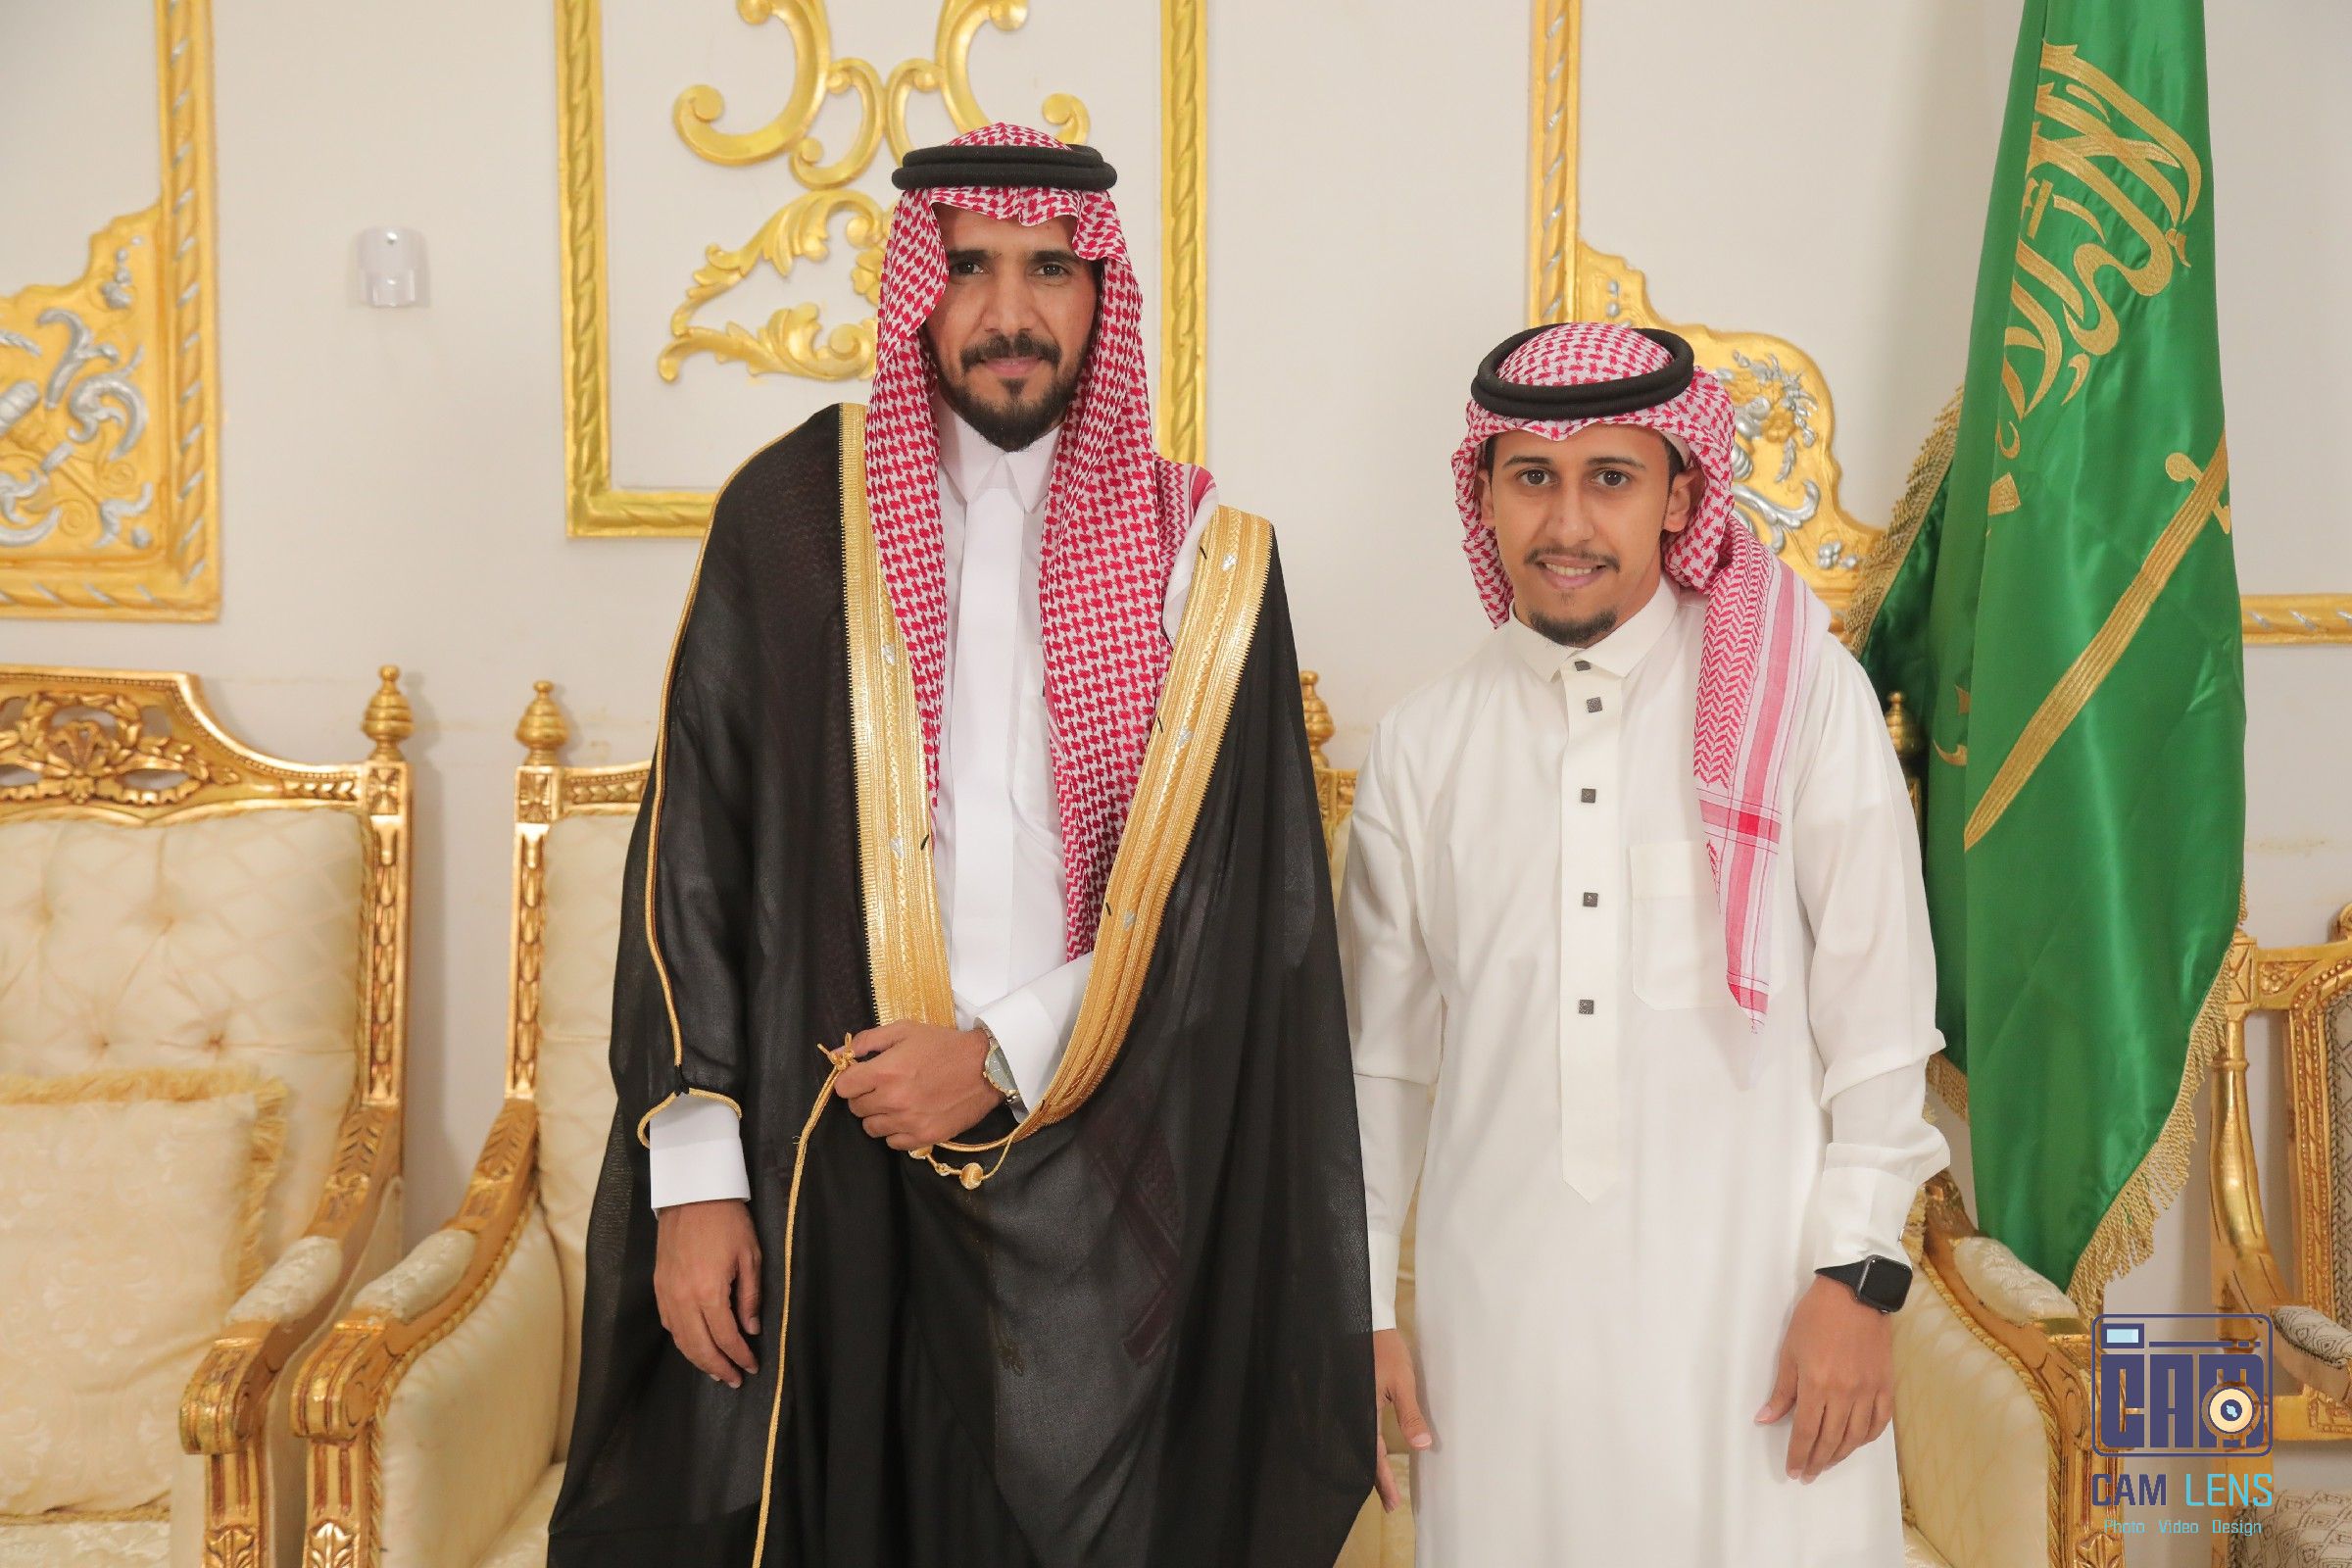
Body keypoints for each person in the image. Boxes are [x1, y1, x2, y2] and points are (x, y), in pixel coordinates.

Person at [550, 123, 1371, 1568]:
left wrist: (996, 1055)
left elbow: (1238, 911)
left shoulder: (1203, 559)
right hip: (832, 1167)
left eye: (1050, 270)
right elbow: (696, 862)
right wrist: (696, 1183)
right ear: (915, 289)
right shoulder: (793, 521)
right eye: (972, 266)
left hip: (1110, 1169)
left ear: (1101, 291)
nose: (1008, 312)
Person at [1343, 320, 1951, 1565]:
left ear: (1679, 494)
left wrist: (1860, 1275)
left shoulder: (1796, 698)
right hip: (1502, 1353)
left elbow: (1880, 1016)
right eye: (1533, 477)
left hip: (1762, 1333)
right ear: (1485, 494)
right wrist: (1357, 1310)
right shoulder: (1423, 747)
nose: (1567, 522)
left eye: (1610, 478)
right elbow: (1377, 1068)